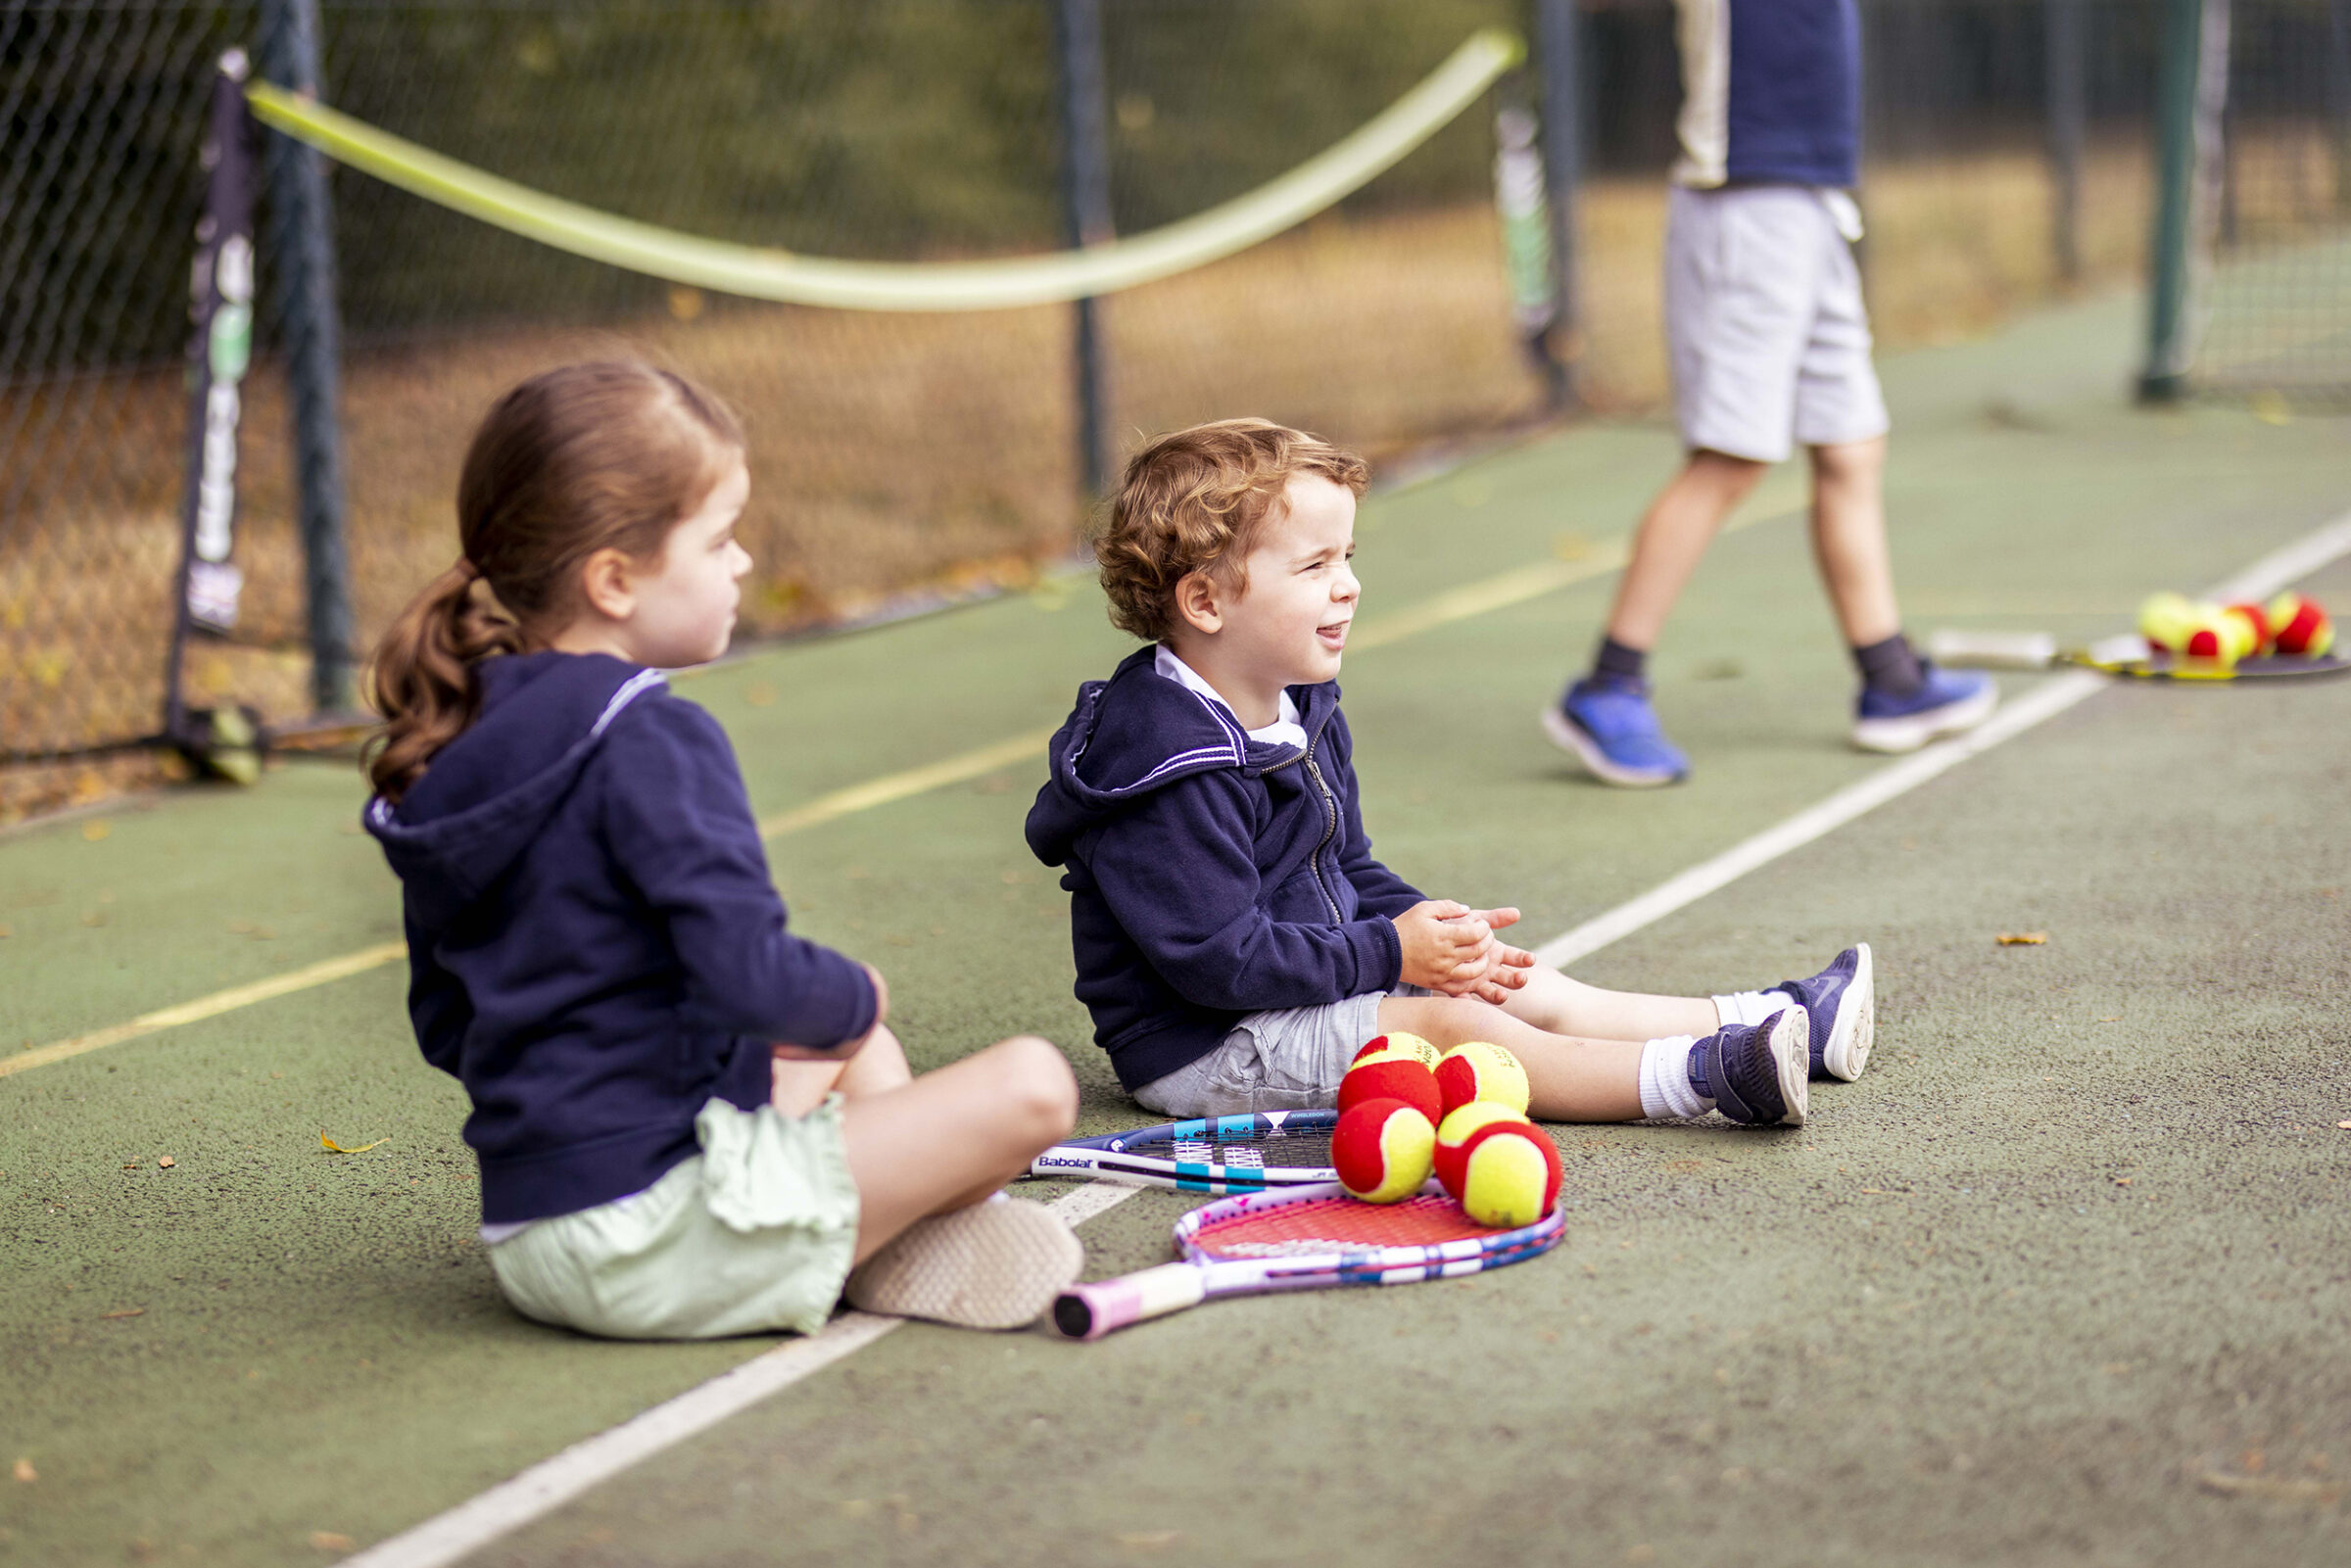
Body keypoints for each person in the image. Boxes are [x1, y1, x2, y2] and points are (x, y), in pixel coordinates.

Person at [363, 361, 1080, 1339]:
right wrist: (856, 992)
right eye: (718, 538)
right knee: (1028, 1081)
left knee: (845, 1044)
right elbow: (749, 976)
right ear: (613, 579)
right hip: (652, 1233)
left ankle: (875, 1232)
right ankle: (882, 1234)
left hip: (531, 1233)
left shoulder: (457, 743)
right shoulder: (651, 737)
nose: (742, 562)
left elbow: (445, 1025)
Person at [1025, 419, 1875, 1135]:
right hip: (1210, 1042)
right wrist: (1396, 952)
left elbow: (1344, 863)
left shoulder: (1300, 702)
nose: (1349, 587)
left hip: (1303, 979)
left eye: (1348, 556)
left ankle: (1777, 1013)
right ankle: (1704, 1077)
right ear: (1206, 602)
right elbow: (1223, 964)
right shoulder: (1169, 767)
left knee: (1511, 980)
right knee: (1455, 1023)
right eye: (1314, 566)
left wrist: (1439, 935)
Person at [1542, 0, 1994, 787]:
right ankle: (1609, 685)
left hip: (1812, 199)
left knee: (1850, 445)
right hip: (1746, 203)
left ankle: (1889, 680)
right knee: (1732, 461)